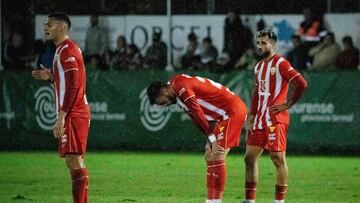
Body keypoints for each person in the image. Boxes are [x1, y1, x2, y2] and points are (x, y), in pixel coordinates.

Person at [147, 74, 247, 203]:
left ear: (164, 91)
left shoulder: (181, 87)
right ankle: (210, 200)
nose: (164, 105)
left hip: (232, 111)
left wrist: (213, 139)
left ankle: (216, 201)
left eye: (161, 102)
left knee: (217, 155)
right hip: (221, 116)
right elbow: (196, 119)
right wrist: (210, 138)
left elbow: (197, 112)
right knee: (209, 156)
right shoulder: (176, 91)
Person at [31, 12, 91, 203]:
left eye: (50, 24)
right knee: (72, 159)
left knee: (73, 159)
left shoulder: (68, 50)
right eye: (46, 24)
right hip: (74, 110)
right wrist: (52, 77)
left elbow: (74, 85)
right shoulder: (62, 49)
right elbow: (69, 82)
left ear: (63, 27)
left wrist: (62, 116)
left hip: (74, 111)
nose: (46, 27)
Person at [243, 30, 308, 203]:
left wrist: (287, 105)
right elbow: (257, 92)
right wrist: (252, 115)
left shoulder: (281, 63)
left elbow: (301, 83)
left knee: (277, 159)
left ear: (273, 44)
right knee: (249, 158)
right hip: (259, 120)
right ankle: (249, 200)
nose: (260, 46)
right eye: (258, 42)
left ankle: (279, 202)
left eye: (264, 43)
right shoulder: (258, 66)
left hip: (275, 118)